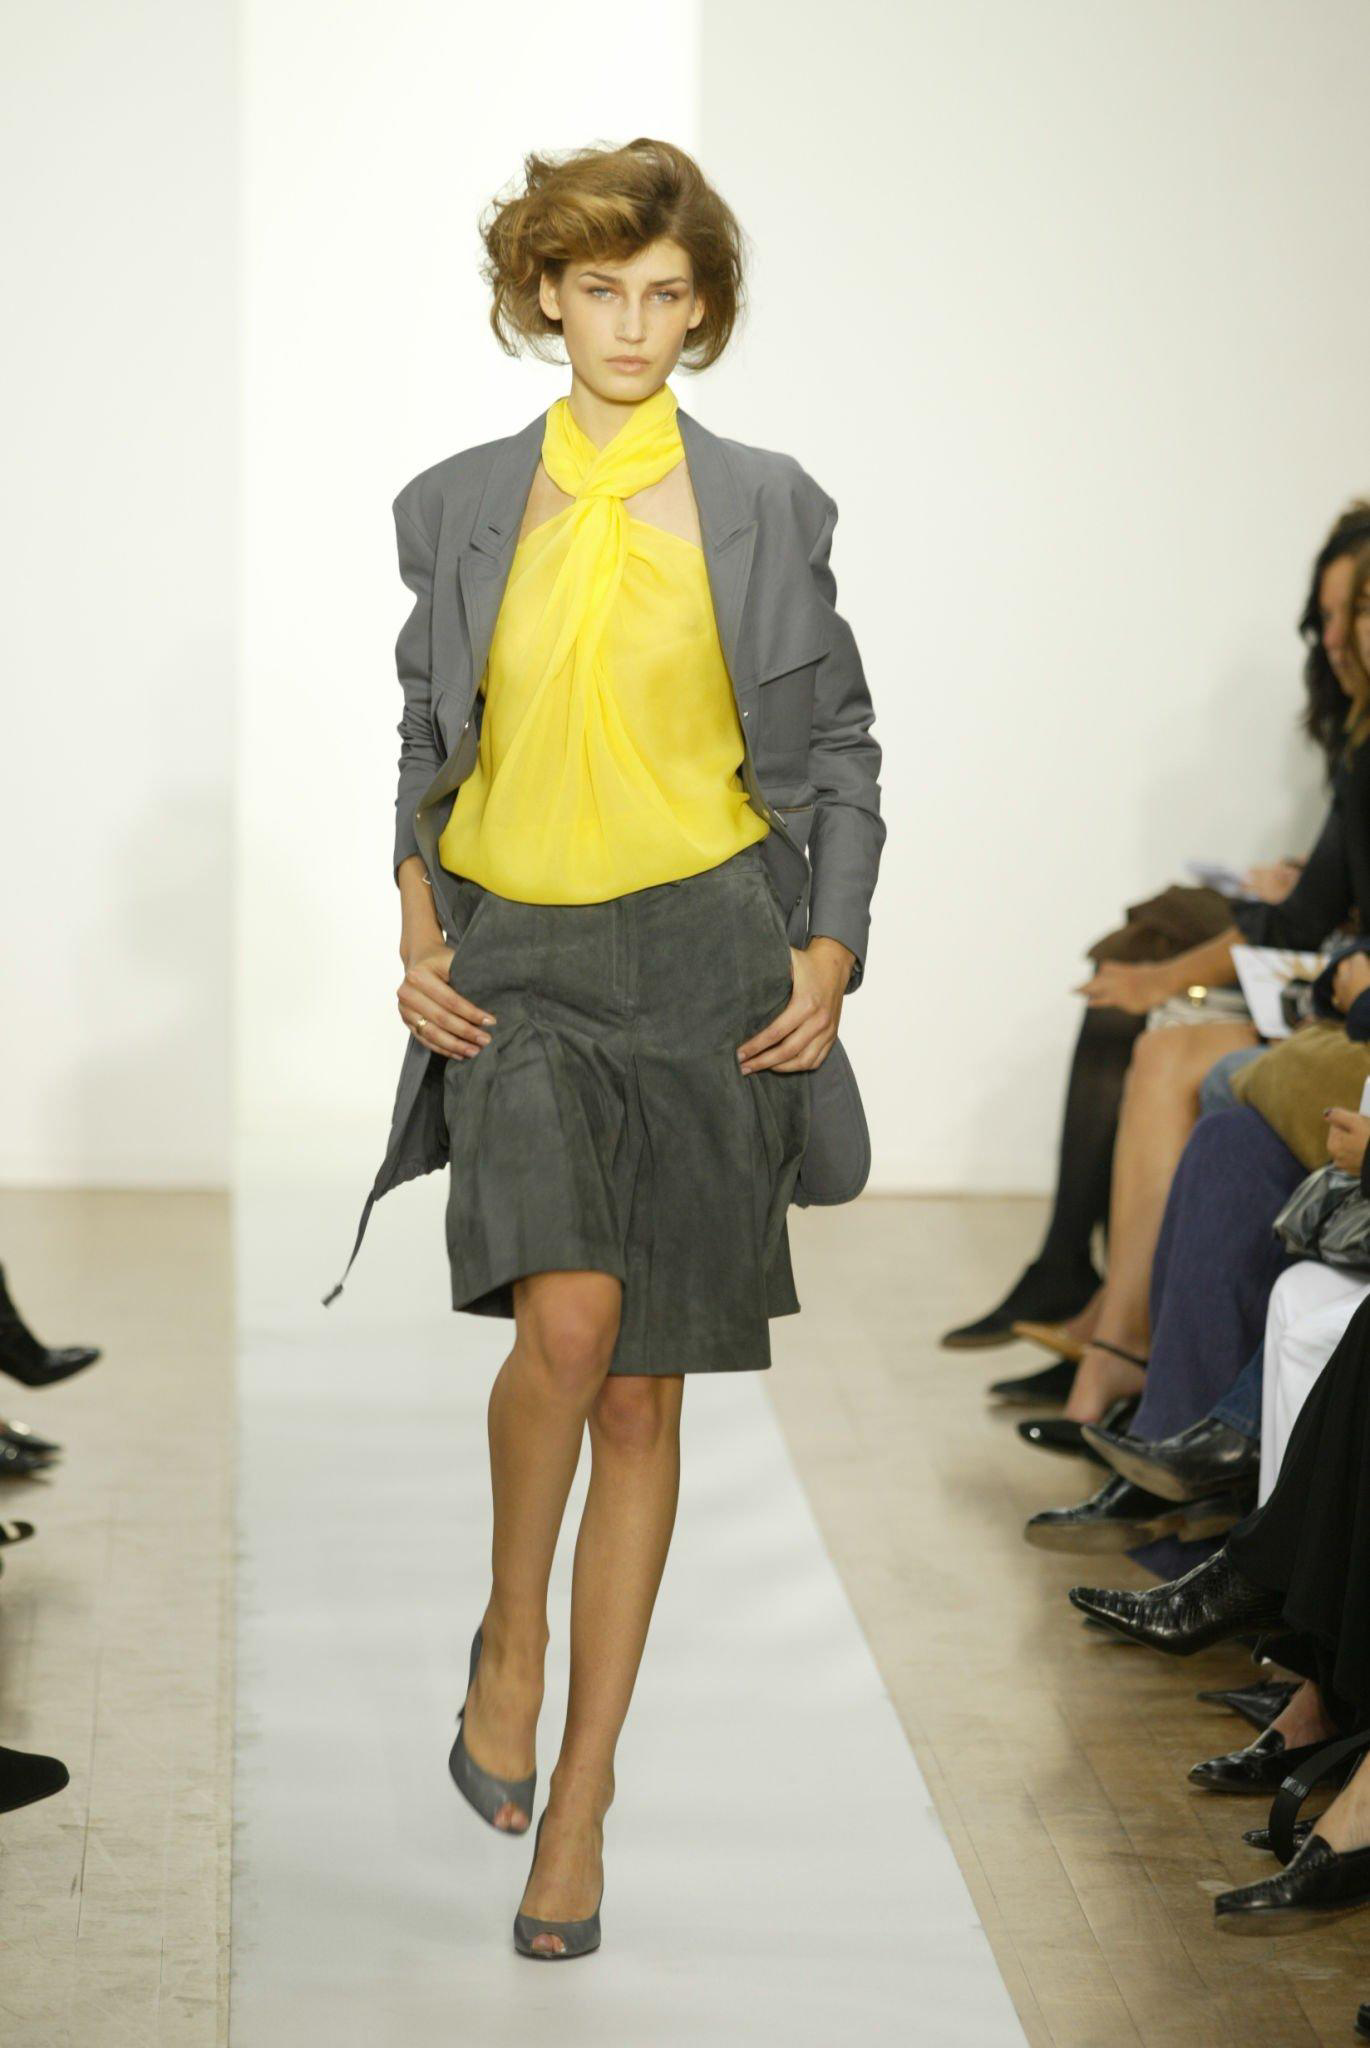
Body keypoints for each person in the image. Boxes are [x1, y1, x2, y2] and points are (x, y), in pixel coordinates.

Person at [325, 139, 883, 1960]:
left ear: (701, 307)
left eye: (665, 293)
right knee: (565, 1327)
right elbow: (429, 733)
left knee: (646, 1390)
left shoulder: (767, 504)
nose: (632, 325)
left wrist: (828, 947)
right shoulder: (458, 504)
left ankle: (580, 1798)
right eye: (597, 290)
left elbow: (838, 749)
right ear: (543, 297)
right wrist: (418, 918)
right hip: (525, 962)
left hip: (712, 960)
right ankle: (513, 1630)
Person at [947, 500, 1370, 1369]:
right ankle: (1098, 1313)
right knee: (1136, 963)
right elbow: (1320, 898)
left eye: (1354, 613)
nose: (1337, 638)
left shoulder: (1360, 745)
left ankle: (1105, 1324)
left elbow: (1312, 914)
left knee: (1154, 1014)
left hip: (1338, 979)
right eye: (1329, 617)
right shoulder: (1353, 738)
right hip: (1332, 963)